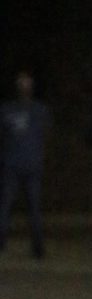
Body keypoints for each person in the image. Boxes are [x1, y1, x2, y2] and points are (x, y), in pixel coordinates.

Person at [0, 70, 51, 258]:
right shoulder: (39, 110)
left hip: (15, 162)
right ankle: (37, 247)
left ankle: (6, 242)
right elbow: (45, 135)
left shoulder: (7, 110)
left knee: (8, 204)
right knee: (31, 206)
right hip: (27, 162)